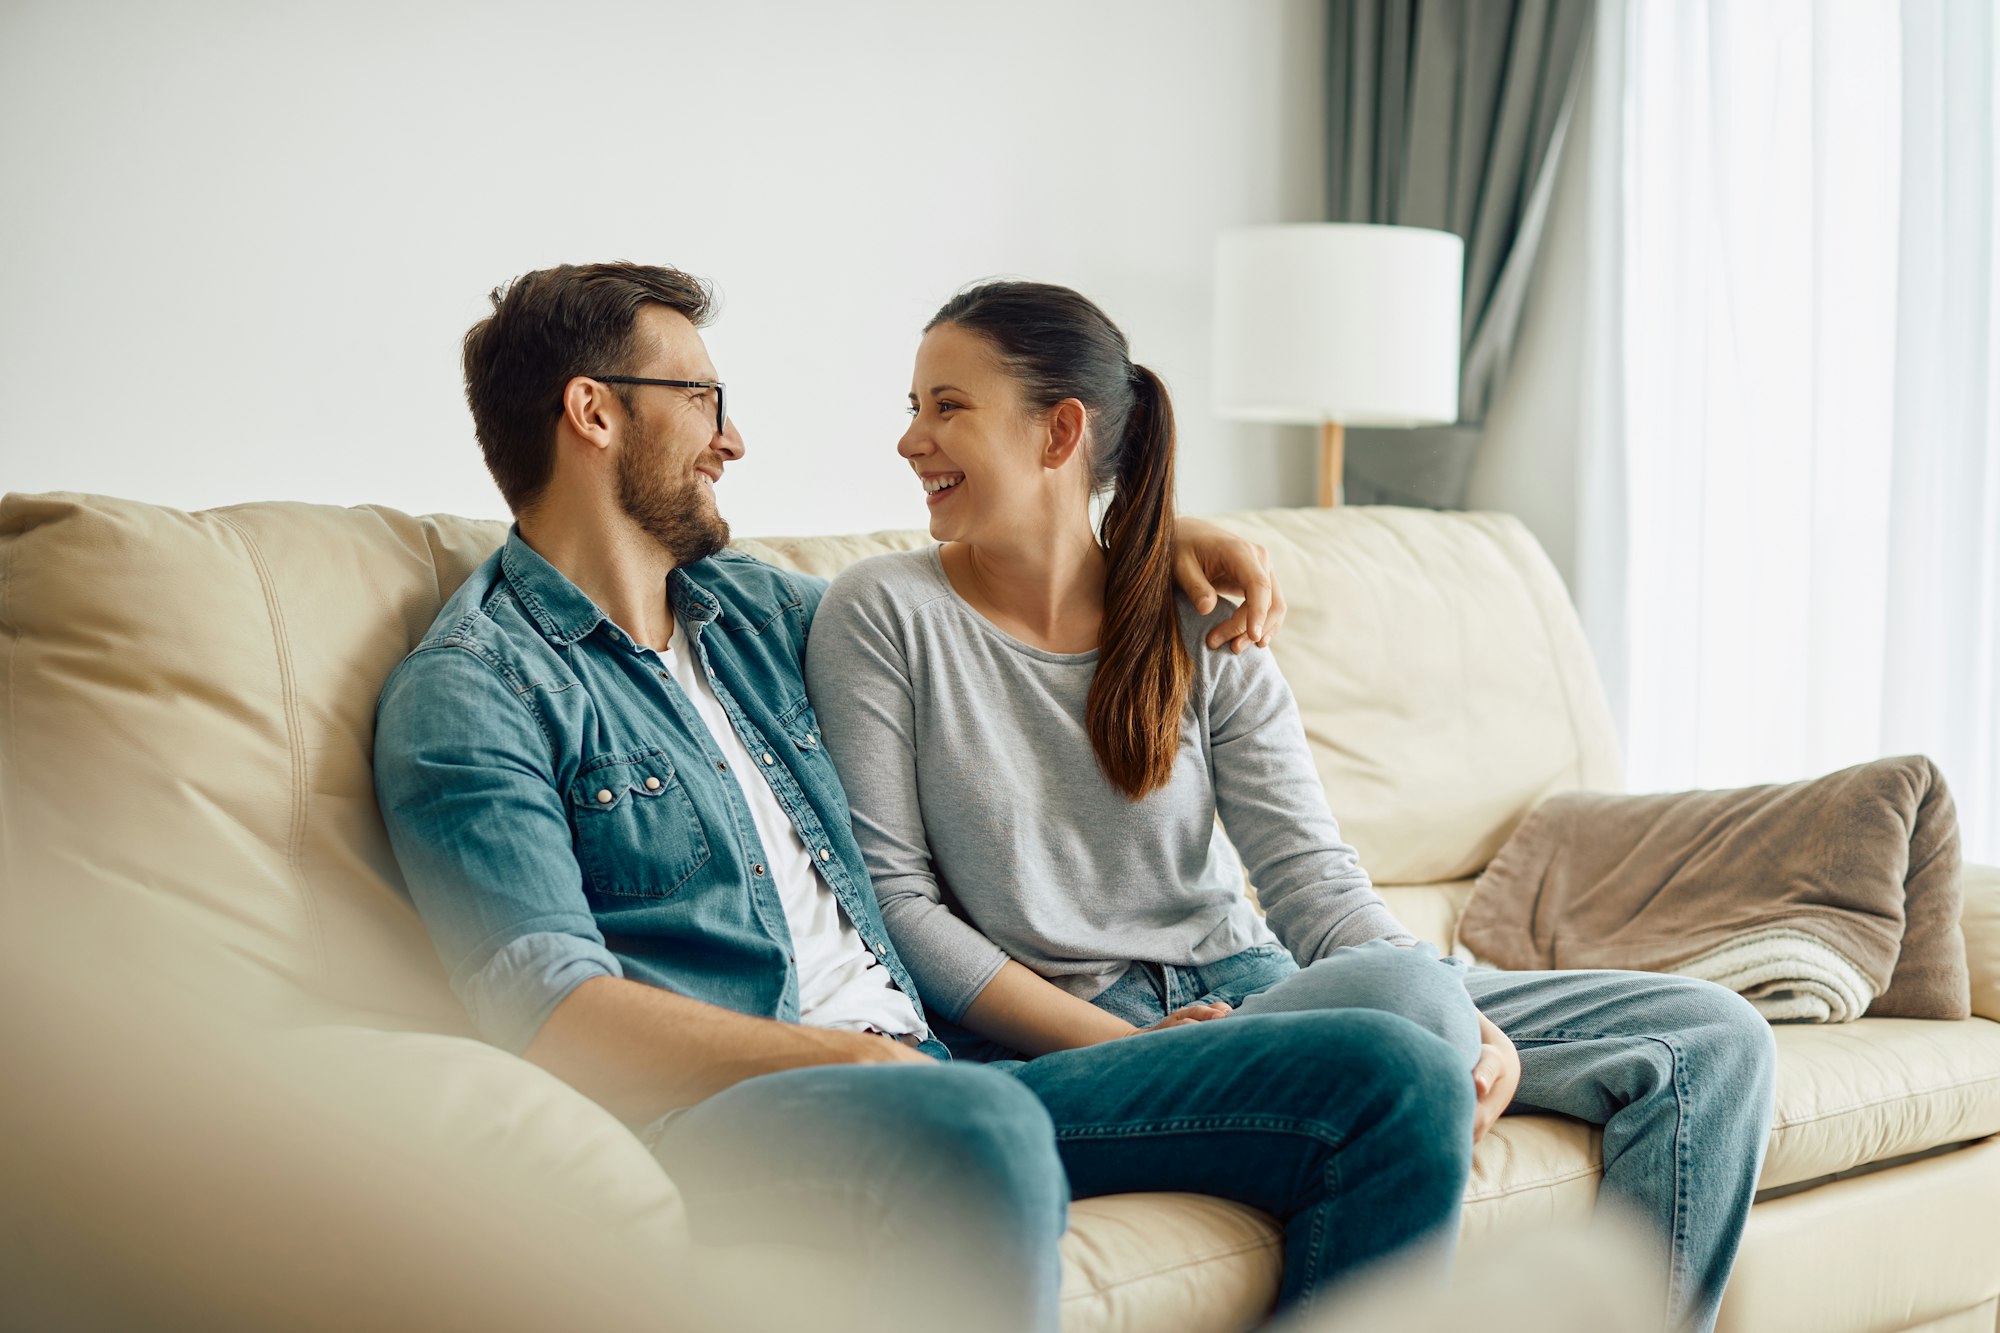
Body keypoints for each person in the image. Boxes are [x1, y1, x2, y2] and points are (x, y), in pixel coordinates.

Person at [372, 262, 1477, 1333]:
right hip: (737, 1113)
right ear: (593, 412)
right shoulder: (474, 690)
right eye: (702, 397)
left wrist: (1141, 545)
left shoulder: (752, 611)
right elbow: (551, 1010)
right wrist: (853, 1058)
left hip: (947, 1073)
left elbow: (984, 598)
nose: (732, 438)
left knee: (1397, 1075)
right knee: (976, 1126)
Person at [804, 279, 1780, 1333]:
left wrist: (1458, 1009)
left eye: (946, 406)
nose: (910, 439)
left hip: (1264, 987)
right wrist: (1123, 1043)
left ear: (1061, 432)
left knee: (1713, 1037)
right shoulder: (882, 613)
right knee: (1409, 1014)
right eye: (914, 406)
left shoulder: (1198, 614)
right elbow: (897, 905)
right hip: (1092, 1021)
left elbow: (1312, 878)